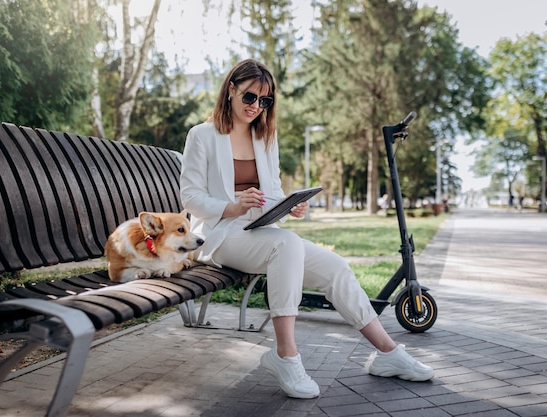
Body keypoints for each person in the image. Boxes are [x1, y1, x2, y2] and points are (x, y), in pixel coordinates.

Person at [179, 59, 434, 399]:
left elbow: (270, 192)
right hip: (219, 233)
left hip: (258, 230)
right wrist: (232, 206)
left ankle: (388, 353)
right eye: (250, 97)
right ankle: (286, 354)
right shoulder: (202, 135)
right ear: (231, 90)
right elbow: (191, 197)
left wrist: (289, 204)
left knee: (334, 267)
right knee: (286, 246)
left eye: (265, 101)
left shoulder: (265, 138)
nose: (257, 107)